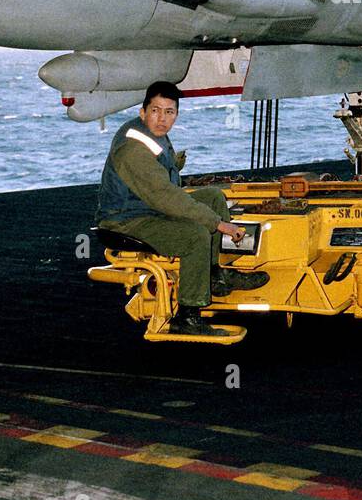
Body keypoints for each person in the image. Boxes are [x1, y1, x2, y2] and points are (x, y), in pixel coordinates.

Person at [94, 81, 268, 338]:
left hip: (147, 208)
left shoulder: (152, 133)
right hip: (125, 219)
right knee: (195, 236)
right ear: (143, 112)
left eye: (169, 112)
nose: (162, 119)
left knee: (213, 197)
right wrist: (219, 224)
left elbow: (164, 190)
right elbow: (164, 196)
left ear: (176, 113)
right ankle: (188, 315)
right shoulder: (134, 147)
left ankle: (213, 277)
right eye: (155, 111)